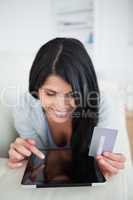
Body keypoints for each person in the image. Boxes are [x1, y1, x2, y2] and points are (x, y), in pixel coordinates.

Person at [8, 38, 126, 179]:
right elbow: (37, 160)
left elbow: (100, 160)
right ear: (36, 88)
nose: (60, 105)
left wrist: (107, 163)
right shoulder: (24, 106)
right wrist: (22, 156)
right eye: (50, 93)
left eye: (73, 94)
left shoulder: (103, 105)